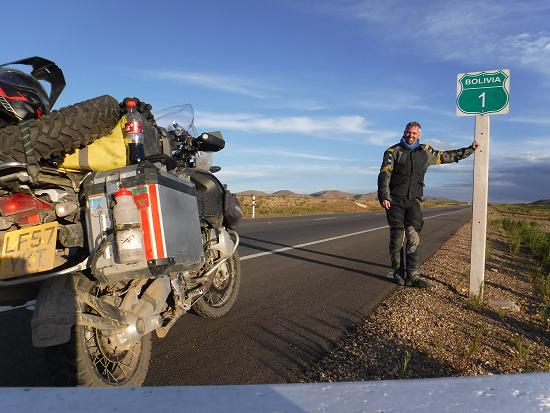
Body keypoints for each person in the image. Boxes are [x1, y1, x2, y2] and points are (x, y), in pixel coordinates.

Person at [377, 121, 479, 287]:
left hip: (414, 201)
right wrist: (384, 196)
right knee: (397, 239)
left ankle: (413, 276)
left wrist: (469, 150)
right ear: (404, 132)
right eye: (408, 132)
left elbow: (447, 156)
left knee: (413, 237)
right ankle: (398, 273)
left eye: (414, 133)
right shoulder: (392, 151)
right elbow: (384, 174)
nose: (410, 135)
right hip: (395, 200)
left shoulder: (426, 151)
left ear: (419, 135)